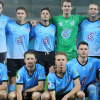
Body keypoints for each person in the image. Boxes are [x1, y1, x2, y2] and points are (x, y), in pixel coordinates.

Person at [6, 6, 32, 96]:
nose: (20, 15)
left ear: (25, 15)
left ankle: (24, 95)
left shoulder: (29, 26)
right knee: (12, 79)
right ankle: (11, 95)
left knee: (24, 78)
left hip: (23, 57)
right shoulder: (9, 25)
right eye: (18, 13)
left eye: (22, 13)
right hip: (11, 57)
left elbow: (32, 35)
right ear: (15, 15)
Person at [76, 4, 100, 99]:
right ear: (88, 11)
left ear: (98, 11)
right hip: (84, 56)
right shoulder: (82, 22)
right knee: (81, 77)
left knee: (97, 80)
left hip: (98, 55)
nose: (93, 10)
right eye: (91, 9)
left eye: (95, 9)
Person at [30, 7, 56, 75]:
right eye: (43, 13)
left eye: (47, 13)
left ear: (49, 15)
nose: (45, 15)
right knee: (39, 75)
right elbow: (29, 38)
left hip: (50, 54)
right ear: (41, 15)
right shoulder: (35, 26)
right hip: (39, 54)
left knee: (51, 75)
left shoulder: (54, 27)